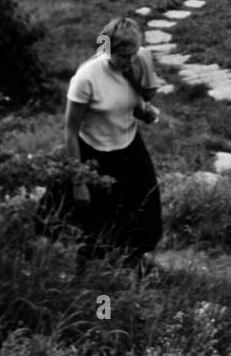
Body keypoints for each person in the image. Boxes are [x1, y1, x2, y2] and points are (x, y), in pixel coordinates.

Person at [64, 17, 163, 273]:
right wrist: (79, 181)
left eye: (133, 54)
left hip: (129, 147)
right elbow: (70, 130)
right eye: (123, 56)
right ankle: (85, 274)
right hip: (95, 153)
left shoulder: (137, 62)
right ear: (107, 49)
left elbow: (130, 102)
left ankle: (134, 262)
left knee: (147, 211)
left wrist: (144, 110)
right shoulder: (86, 78)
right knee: (96, 221)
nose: (129, 61)